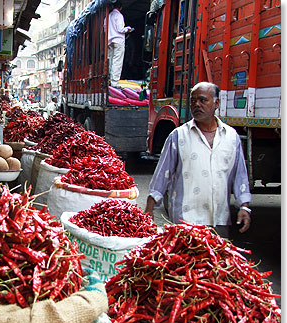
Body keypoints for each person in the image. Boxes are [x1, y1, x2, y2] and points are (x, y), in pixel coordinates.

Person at [144, 82, 252, 237]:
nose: (196, 105)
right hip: (186, 220)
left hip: (218, 220)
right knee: (184, 259)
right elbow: (162, 174)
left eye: (203, 100)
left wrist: (244, 207)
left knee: (218, 259)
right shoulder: (178, 136)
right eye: (193, 101)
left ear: (216, 103)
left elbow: (240, 175)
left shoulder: (231, 137)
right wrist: (150, 207)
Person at [106, 1, 134, 88]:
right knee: (117, 61)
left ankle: (109, 80)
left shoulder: (108, 16)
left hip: (109, 41)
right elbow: (120, 29)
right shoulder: (119, 15)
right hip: (118, 40)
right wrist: (128, 29)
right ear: (120, 8)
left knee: (110, 61)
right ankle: (114, 82)